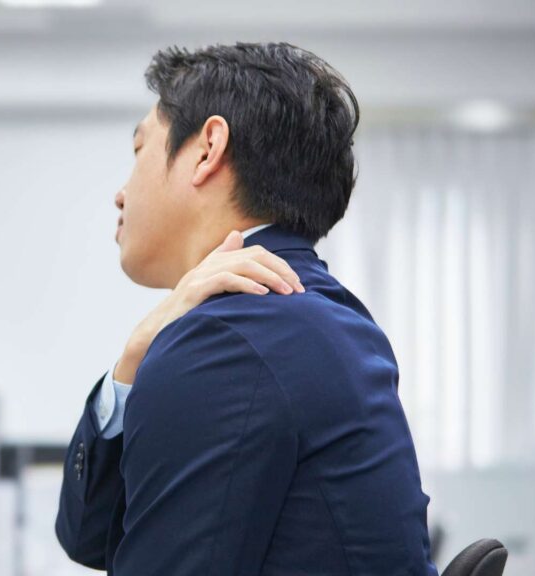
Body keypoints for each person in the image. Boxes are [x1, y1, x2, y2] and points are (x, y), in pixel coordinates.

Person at [55, 42, 437, 575]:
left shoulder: (233, 338)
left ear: (208, 148)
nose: (120, 193)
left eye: (139, 150)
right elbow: (90, 538)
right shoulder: (299, 314)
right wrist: (134, 358)